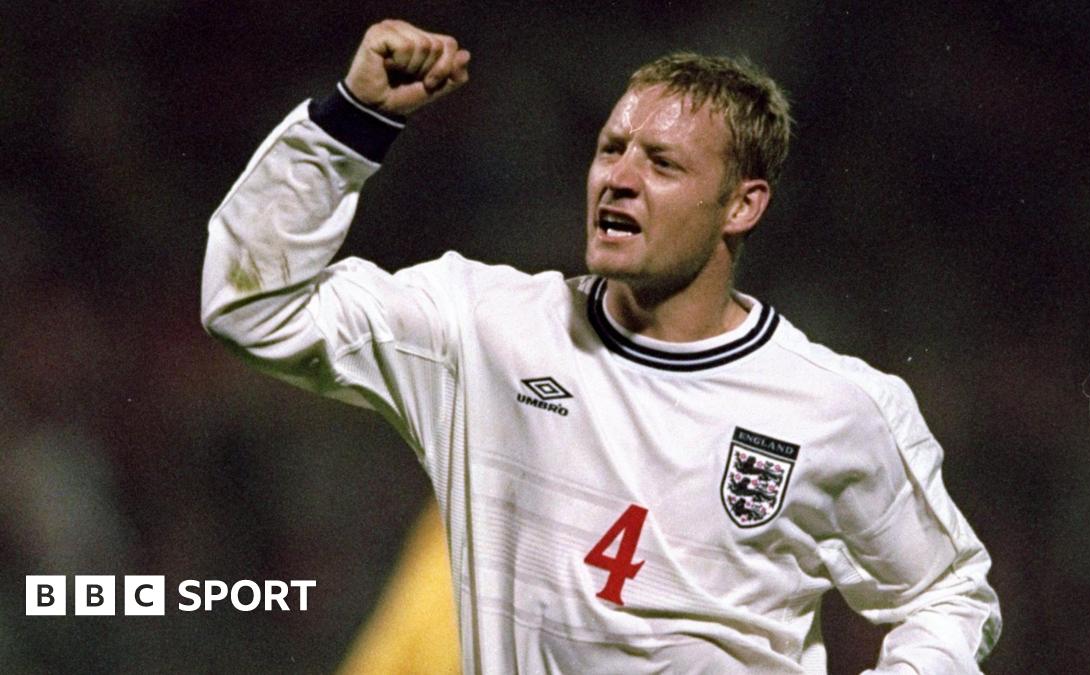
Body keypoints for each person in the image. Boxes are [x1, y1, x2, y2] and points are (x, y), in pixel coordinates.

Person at [202, 18, 1001, 673]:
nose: (618, 176)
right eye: (611, 148)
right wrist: (350, 123)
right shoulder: (483, 332)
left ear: (742, 205)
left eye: (661, 162)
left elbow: (948, 592)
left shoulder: (836, 407)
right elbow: (251, 307)